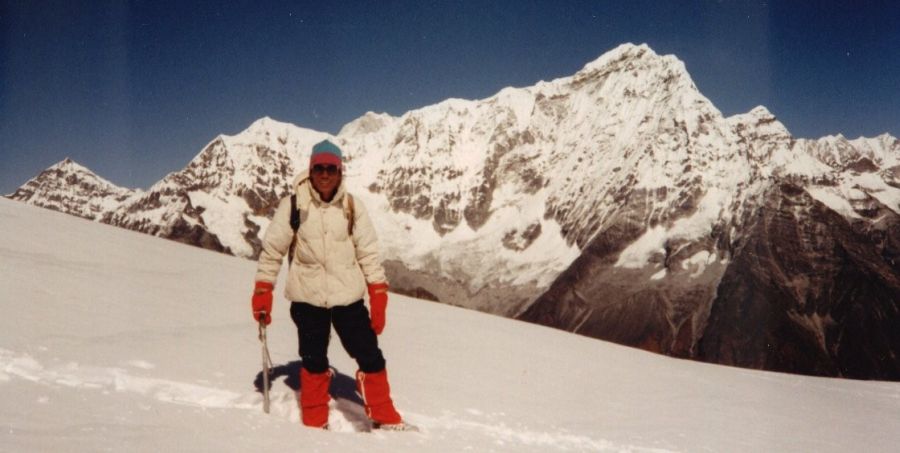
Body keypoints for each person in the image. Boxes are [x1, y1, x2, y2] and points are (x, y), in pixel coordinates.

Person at [250, 139, 404, 430]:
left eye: (330, 168)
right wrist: (263, 290)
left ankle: (384, 413)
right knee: (313, 359)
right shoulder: (294, 205)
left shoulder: (352, 207)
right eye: (318, 168)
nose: (324, 174)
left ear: (339, 172)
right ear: (310, 171)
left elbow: (368, 252)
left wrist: (378, 293)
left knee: (369, 354)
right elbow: (272, 251)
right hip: (307, 298)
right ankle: (314, 417)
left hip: (348, 298)